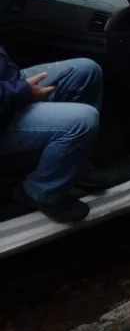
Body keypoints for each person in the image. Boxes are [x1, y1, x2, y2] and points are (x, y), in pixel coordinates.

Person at [0, 50, 102, 222]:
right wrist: (22, 92)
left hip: (8, 86)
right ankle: (40, 192)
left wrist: (16, 87)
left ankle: (72, 166)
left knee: (87, 71)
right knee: (83, 122)